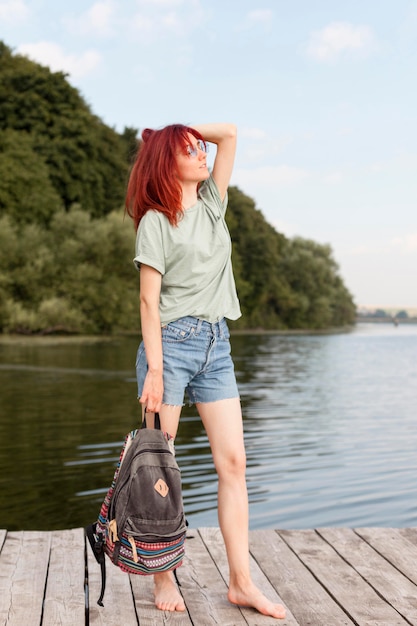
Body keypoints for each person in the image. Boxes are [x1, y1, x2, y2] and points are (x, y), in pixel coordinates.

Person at [125, 122, 286, 620]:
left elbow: (230, 134)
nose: (200, 154)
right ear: (165, 163)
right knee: (161, 472)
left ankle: (241, 583)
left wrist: (181, 129)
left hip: (217, 346)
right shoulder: (156, 221)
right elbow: (148, 303)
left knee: (233, 464)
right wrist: (155, 370)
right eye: (189, 151)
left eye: (198, 149)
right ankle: (162, 575)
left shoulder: (214, 201)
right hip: (169, 348)